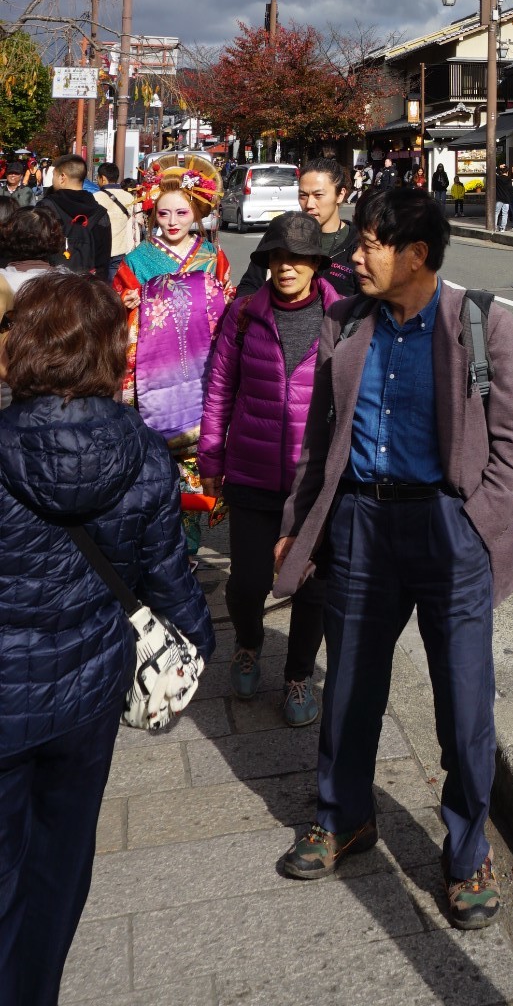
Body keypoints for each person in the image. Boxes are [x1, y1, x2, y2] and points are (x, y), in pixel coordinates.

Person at [272, 186, 513, 927]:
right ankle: (345, 817)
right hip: (360, 524)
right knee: (351, 685)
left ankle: (465, 853)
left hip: (447, 531)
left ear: (415, 254)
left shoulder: (482, 323)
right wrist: (301, 520)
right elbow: (319, 440)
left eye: (368, 245)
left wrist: (477, 521)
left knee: (463, 704)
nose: (352, 257)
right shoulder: (344, 322)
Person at [0, 275, 214, 1005]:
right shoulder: (144, 453)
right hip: (89, 689)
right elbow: (168, 579)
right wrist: (199, 645)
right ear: (111, 354)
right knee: (60, 866)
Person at [200, 213, 344, 728]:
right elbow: (218, 392)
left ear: (316, 265)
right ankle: (247, 643)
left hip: (314, 484)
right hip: (252, 473)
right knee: (247, 583)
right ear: (266, 262)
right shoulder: (243, 316)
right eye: (278, 258)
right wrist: (211, 458)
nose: (287, 268)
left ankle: (298, 674)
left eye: (299, 258)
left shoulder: (342, 317)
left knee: (314, 588)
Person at [113, 159, 234, 549]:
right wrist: (126, 303)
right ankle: (160, 542)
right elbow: (116, 308)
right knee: (155, 458)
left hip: (203, 365)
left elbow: (225, 303)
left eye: (182, 212)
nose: (172, 221)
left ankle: (191, 545)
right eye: (163, 213)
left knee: (199, 456)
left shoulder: (212, 255)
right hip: (152, 368)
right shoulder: (137, 260)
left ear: (198, 211)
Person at [234, 153, 358, 302]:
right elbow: (249, 286)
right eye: (303, 195)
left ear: (340, 195)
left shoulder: (358, 245)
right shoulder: (281, 233)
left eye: (318, 195)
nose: (309, 204)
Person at [41, 154, 112, 281]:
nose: (52, 181)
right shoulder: (100, 213)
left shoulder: (46, 207)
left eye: (53, 176)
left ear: (62, 177)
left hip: (53, 285)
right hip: (87, 287)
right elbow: (103, 260)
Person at [93, 160, 141, 275]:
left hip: (99, 251)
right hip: (120, 250)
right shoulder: (129, 197)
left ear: (103, 178)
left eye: (97, 178)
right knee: (115, 286)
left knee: (100, 285)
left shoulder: (95, 197)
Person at [494, 162, 513, 232]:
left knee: (496, 213)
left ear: (501, 171)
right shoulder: (509, 180)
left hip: (499, 198)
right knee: (505, 213)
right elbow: (511, 189)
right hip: (507, 199)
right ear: (507, 172)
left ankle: (495, 226)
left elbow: (493, 172)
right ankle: (503, 228)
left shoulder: (498, 179)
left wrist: (498, 167)